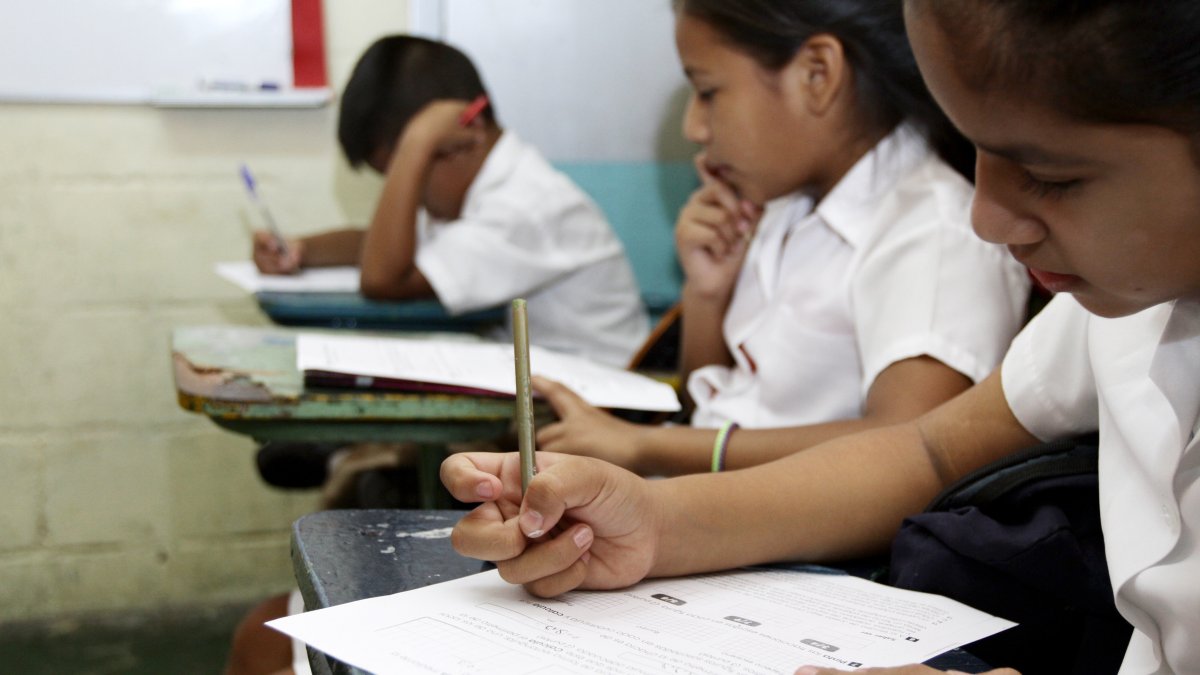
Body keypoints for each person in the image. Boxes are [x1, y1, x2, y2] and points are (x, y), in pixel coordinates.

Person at [441, 0, 1200, 673]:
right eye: (976, 147)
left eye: (1051, 175)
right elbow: (929, 448)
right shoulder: (1119, 308)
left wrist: (652, 451)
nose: (986, 219)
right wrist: (653, 523)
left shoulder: (938, 231)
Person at [532, 0, 1028, 477]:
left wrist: (646, 446)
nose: (694, 128)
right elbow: (719, 403)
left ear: (817, 73)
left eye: (707, 93)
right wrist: (707, 294)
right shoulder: (785, 206)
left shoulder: (933, 230)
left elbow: (907, 445)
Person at [252, 35, 648, 368]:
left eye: (406, 178)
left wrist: (416, 147)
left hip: (600, 418)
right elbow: (380, 246)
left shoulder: (526, 207)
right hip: (542, 403)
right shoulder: (481, 190)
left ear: (463, 135)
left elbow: (384, 278)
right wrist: (301, 251)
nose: (406, 198)